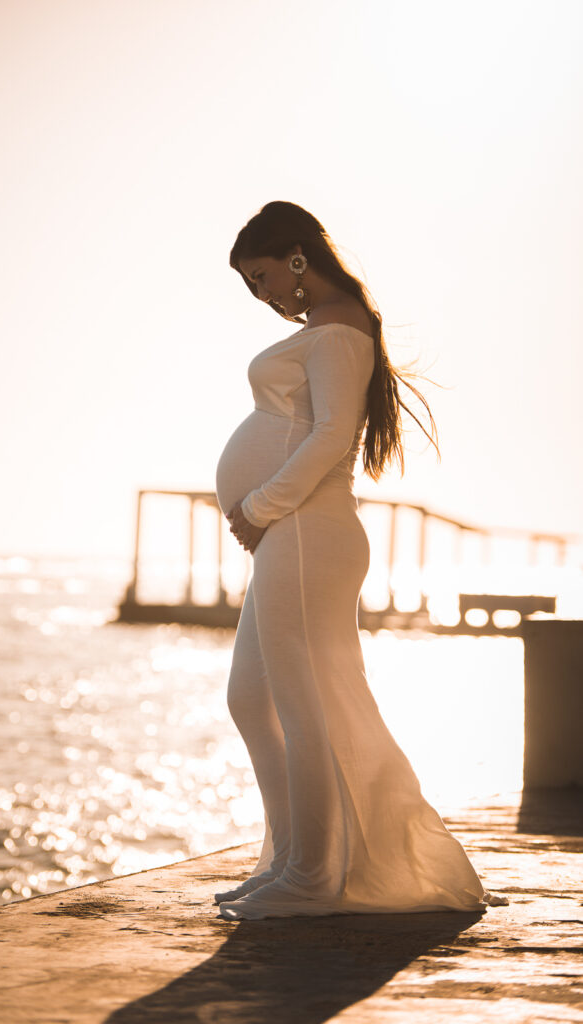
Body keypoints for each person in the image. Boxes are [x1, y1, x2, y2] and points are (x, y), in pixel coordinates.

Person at [212, 200, 508, 921]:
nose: (263, 297)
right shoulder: (324, 330)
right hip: (296, 536)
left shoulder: (340, 334)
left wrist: (259, 507)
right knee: (252, 699)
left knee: (302, 702)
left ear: (296, 258)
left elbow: (331, 437)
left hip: (308, 533)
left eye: (262, 278)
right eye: (251, 288)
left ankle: (313, 878)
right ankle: (287, 859)